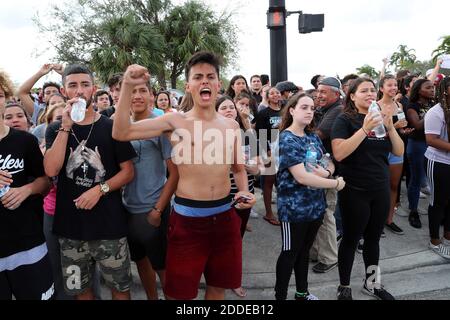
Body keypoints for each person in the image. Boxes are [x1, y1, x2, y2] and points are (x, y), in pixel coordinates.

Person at [112, 51, 256, 300]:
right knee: (179, 293)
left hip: (225, 217)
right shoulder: (174, 121)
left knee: (218, 287)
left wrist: (244, 191)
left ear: (218, 84)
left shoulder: (231, 126)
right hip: (188, 221)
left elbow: (238, 169)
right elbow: (122, 132)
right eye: (198, 77)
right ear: (188, 86)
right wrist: (127, 84)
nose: (204, 81)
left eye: (210, 76)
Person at [44, 64, 136, 300]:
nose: (79, 91)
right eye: (72, 85)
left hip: (109, 227)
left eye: (85, 84)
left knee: (120, 289)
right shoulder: (56, 129)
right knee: (80, 290)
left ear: (94, 89)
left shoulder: (111, 127)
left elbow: (128, 172)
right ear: (64, 91)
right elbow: (51, 169)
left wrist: (100, 190)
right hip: (71, 229)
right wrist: (65, 127)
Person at [331, 77, 404, 300]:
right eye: (364, 91)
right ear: (352, 96)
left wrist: (390, 128)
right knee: (351, 239)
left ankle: (372, 283)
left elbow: (399, 151)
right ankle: (344, 286)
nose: (370, 94)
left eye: (373, 90)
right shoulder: (344, 119)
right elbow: (340, 153)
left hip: (379, 188)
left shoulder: (381, 118)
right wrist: (364, 129)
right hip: (354, 189)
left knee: (373, 239)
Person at [275, 93, 345, 300]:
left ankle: (301, 293)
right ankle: (279, 297)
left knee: (304, 252)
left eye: (312, 108)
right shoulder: (286, 139)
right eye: (304, 107)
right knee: (290, 253)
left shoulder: (312, 136)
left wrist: (328, 171)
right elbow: (302, 177)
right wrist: (335, 183)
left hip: (315, 207)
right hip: (293, 210)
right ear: (292, 110)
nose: (309, 111)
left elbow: (328, 160)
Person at [122, 80, 178, 300]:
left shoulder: (160, 125)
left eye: (142, 91)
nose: (137, 96)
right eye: (132, 91)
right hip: (128, 209)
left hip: (153, 209)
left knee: (162, 267)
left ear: (151, 96)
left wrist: (158, 209)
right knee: (141, 262)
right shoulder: (122, 125)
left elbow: (175, 173)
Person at [0, 71, 53, 300]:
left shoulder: (25, 140)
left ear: (6, 97)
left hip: (27, 243)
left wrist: (28, 189)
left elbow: (45, 181)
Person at [216, 94, 259, 298]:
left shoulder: (246, 135)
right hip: (219, 196)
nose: (229, 110)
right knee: (219, 240)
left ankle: (233, 279)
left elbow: (260, 168)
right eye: (223, 108)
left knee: (236, 239)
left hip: (243, 195)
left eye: (231, 107)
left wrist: (247, 166)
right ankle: (217, 277)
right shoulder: (210, 136)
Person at [310, 77, 343, 274]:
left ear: (336, 94)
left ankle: (329, 257)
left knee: (325, 214)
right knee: (319, 213)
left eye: (323, 92)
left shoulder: (337, 110)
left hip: (329, 171)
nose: (318, 95)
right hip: (321, 169)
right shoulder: (327, 109)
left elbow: (317, 135)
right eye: (317, 91)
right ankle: (316, 252)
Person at [377, 75, 408, 235]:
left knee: (394, 186)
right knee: (379, 186)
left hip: (396, 151)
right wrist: (394, 126)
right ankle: (377, 221)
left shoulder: (399, 105)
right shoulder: (374, 107)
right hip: (379, 151)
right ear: (381, 88)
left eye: (395, 85)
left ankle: (389, 219)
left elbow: (400, 129)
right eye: (389, 85)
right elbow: (376, 133)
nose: (393, 88)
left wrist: (403, 129)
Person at [424, 76, 450, 259]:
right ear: (446, 90)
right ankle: (434, 240)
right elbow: (431, 140)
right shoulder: (436, 112)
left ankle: (448, 238)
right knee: (438, 202)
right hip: (438, 162)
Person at [405, 79, 435, 228]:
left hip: (433, 145)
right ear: (418, 90)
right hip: (417, 145)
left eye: (433, 87)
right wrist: (432, 113)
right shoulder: (412, 106)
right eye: (428, 87)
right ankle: (413, 211)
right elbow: (416, 125)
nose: (432, 89)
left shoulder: (433, 104)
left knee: (433, 178)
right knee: (416, 179)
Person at [255, 86, 282, 226]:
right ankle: (268, 213)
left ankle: (282, 210)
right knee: (269, 181)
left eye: (277, 92)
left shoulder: (286, 110)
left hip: (283, 148)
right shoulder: (263, 113)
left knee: (281, 180)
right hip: (269, 149)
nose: (275, 95)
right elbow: (260, 134)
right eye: (272, 93)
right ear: (267, 96)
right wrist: (268, 151)